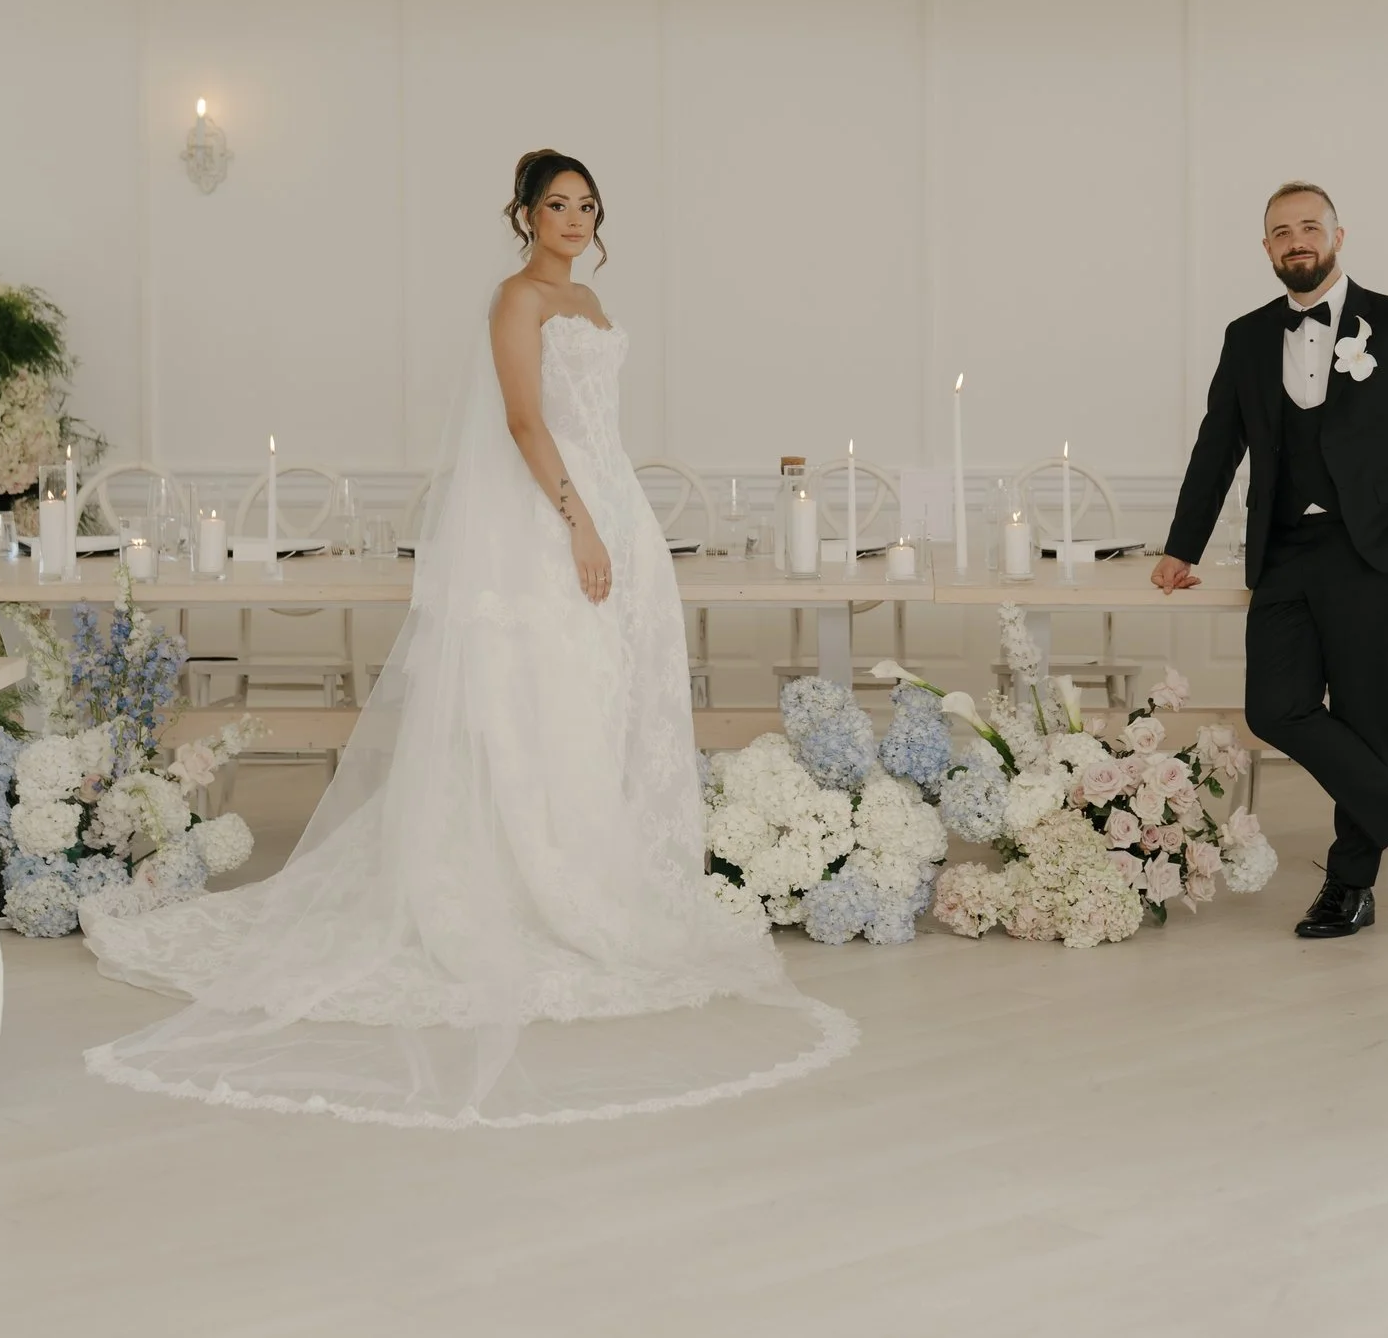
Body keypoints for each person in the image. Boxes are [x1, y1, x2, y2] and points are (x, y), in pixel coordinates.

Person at [82, 150, 854, 1127]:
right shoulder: (516, 299)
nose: (573, 219)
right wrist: (578, 519)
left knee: (604, 700)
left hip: (615, 507)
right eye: (556, 205)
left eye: (586, 205)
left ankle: (596, 873)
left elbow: (596, 425)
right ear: (524, 214)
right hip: (550, 519)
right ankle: (536, 885)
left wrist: (616, 518)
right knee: (544, 700)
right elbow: (528, 422)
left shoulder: (595, 307)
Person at [1151, 182, 1388, 940]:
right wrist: (1181, 547)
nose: (1295, 240)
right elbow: (1217, 449)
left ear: (1338, 235)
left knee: (1364, 721)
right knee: (1274, 706)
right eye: (1280, 232)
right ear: (1265, 249)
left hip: (1374, 552)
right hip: (1284, 549)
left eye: (1309, 227)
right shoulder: (1245, 336)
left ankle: (1350, 888)